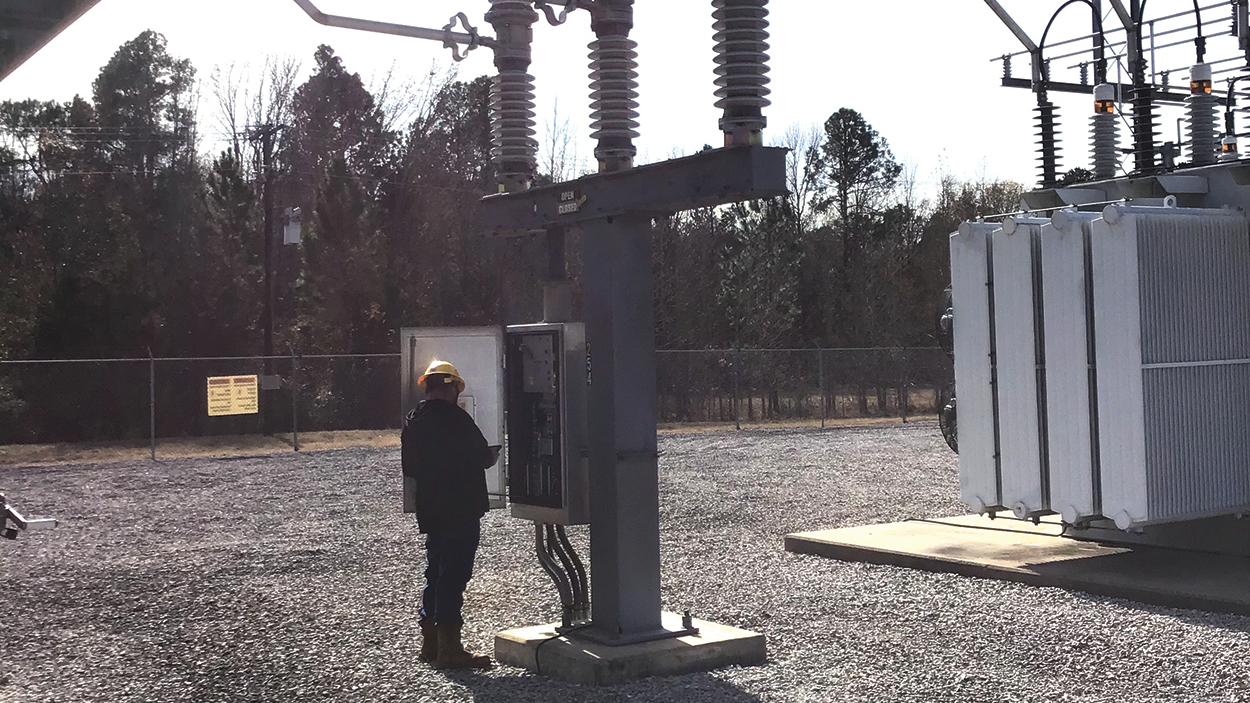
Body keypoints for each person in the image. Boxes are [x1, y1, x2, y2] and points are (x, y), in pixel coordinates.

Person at [402, 359, 500, 670]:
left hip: (432, 509)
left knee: (434, 572)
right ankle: (450, 649)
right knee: (454, 575)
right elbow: (483, 457)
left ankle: (430, 642)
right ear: (450, 387)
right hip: (461, 507)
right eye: (456, 387)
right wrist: (492, 454)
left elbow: (412, 467)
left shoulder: (413, 420)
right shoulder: (457, 419)